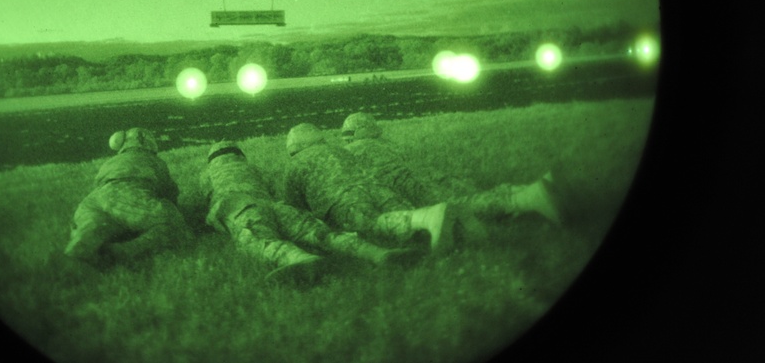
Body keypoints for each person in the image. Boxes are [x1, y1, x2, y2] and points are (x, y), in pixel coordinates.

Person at [199, 140, 419, 285]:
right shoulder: (254, 169)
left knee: (260, 240)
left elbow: (206, 202)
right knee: (324, 235)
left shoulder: (207, 175)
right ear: (239, 155)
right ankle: (376, 253)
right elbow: (275, 191)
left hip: (240, 208)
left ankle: (300, 258)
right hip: (276, 207)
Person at [340, 112, 561, 226]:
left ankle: (526, 199)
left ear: (354, 133)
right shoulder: (386, 144)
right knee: (471, 196)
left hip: (410, 187)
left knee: (459, 207)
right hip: (433, 177)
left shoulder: (353, 151)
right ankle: (525, 190)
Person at [282, 123, 461, 252]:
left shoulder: (295, 164)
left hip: (344, 200)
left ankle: (427, 217)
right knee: (401, 218)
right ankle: (453, 235)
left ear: (294, 147)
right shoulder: (341, 150)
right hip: (376, 187)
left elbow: (294, 207)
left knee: (375, 225)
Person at [64, 127, 192, 267]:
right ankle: (122, 253)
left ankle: (78, 250)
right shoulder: (154, 160)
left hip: (93, 200)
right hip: (130, 193)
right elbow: (170, 193)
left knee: (95, 226)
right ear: (148, 142)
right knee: (173, 223)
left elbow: (99, 184)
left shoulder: (111, 161)